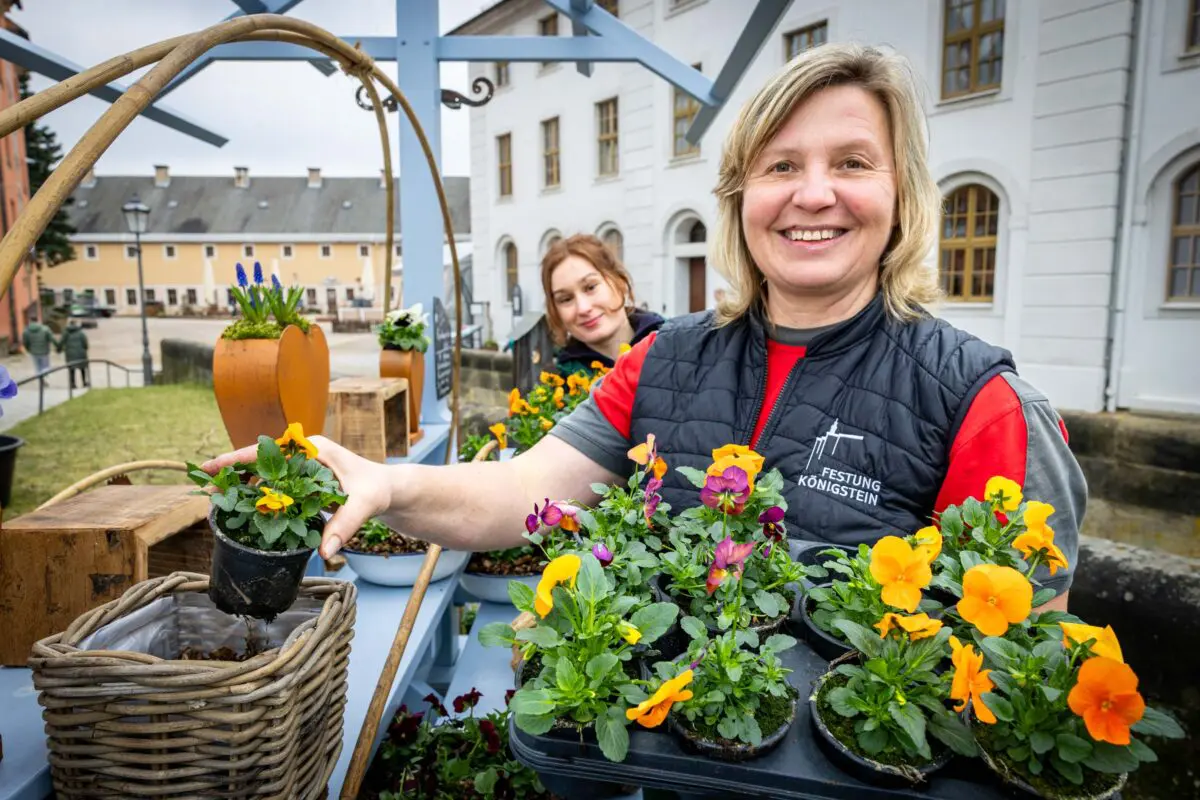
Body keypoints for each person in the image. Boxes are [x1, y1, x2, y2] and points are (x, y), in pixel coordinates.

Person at [202, 43, 1085, 609]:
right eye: (781, 166)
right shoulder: (667, 360)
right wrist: (388, 484)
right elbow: (519, 494)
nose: (813, 193)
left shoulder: (980, 400)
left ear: (901, 197)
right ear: (743, 200)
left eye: (851, 163)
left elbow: (1022, 650)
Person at [541, 234, 663, 376]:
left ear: (619, 282)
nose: (583, 308)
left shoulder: (677, 347)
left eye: (591, 287)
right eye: (566, 299)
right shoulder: (560, 390)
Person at [59, 320, 90, 389]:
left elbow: (61, 342)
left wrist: (59, 349)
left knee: (71, 369)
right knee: (82, 368)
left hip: (70, 353)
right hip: (81, 353)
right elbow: (85, 343)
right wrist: (85, 348)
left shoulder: (66, 333)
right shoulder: (81, 333)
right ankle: (84, 382)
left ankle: (72, 384)